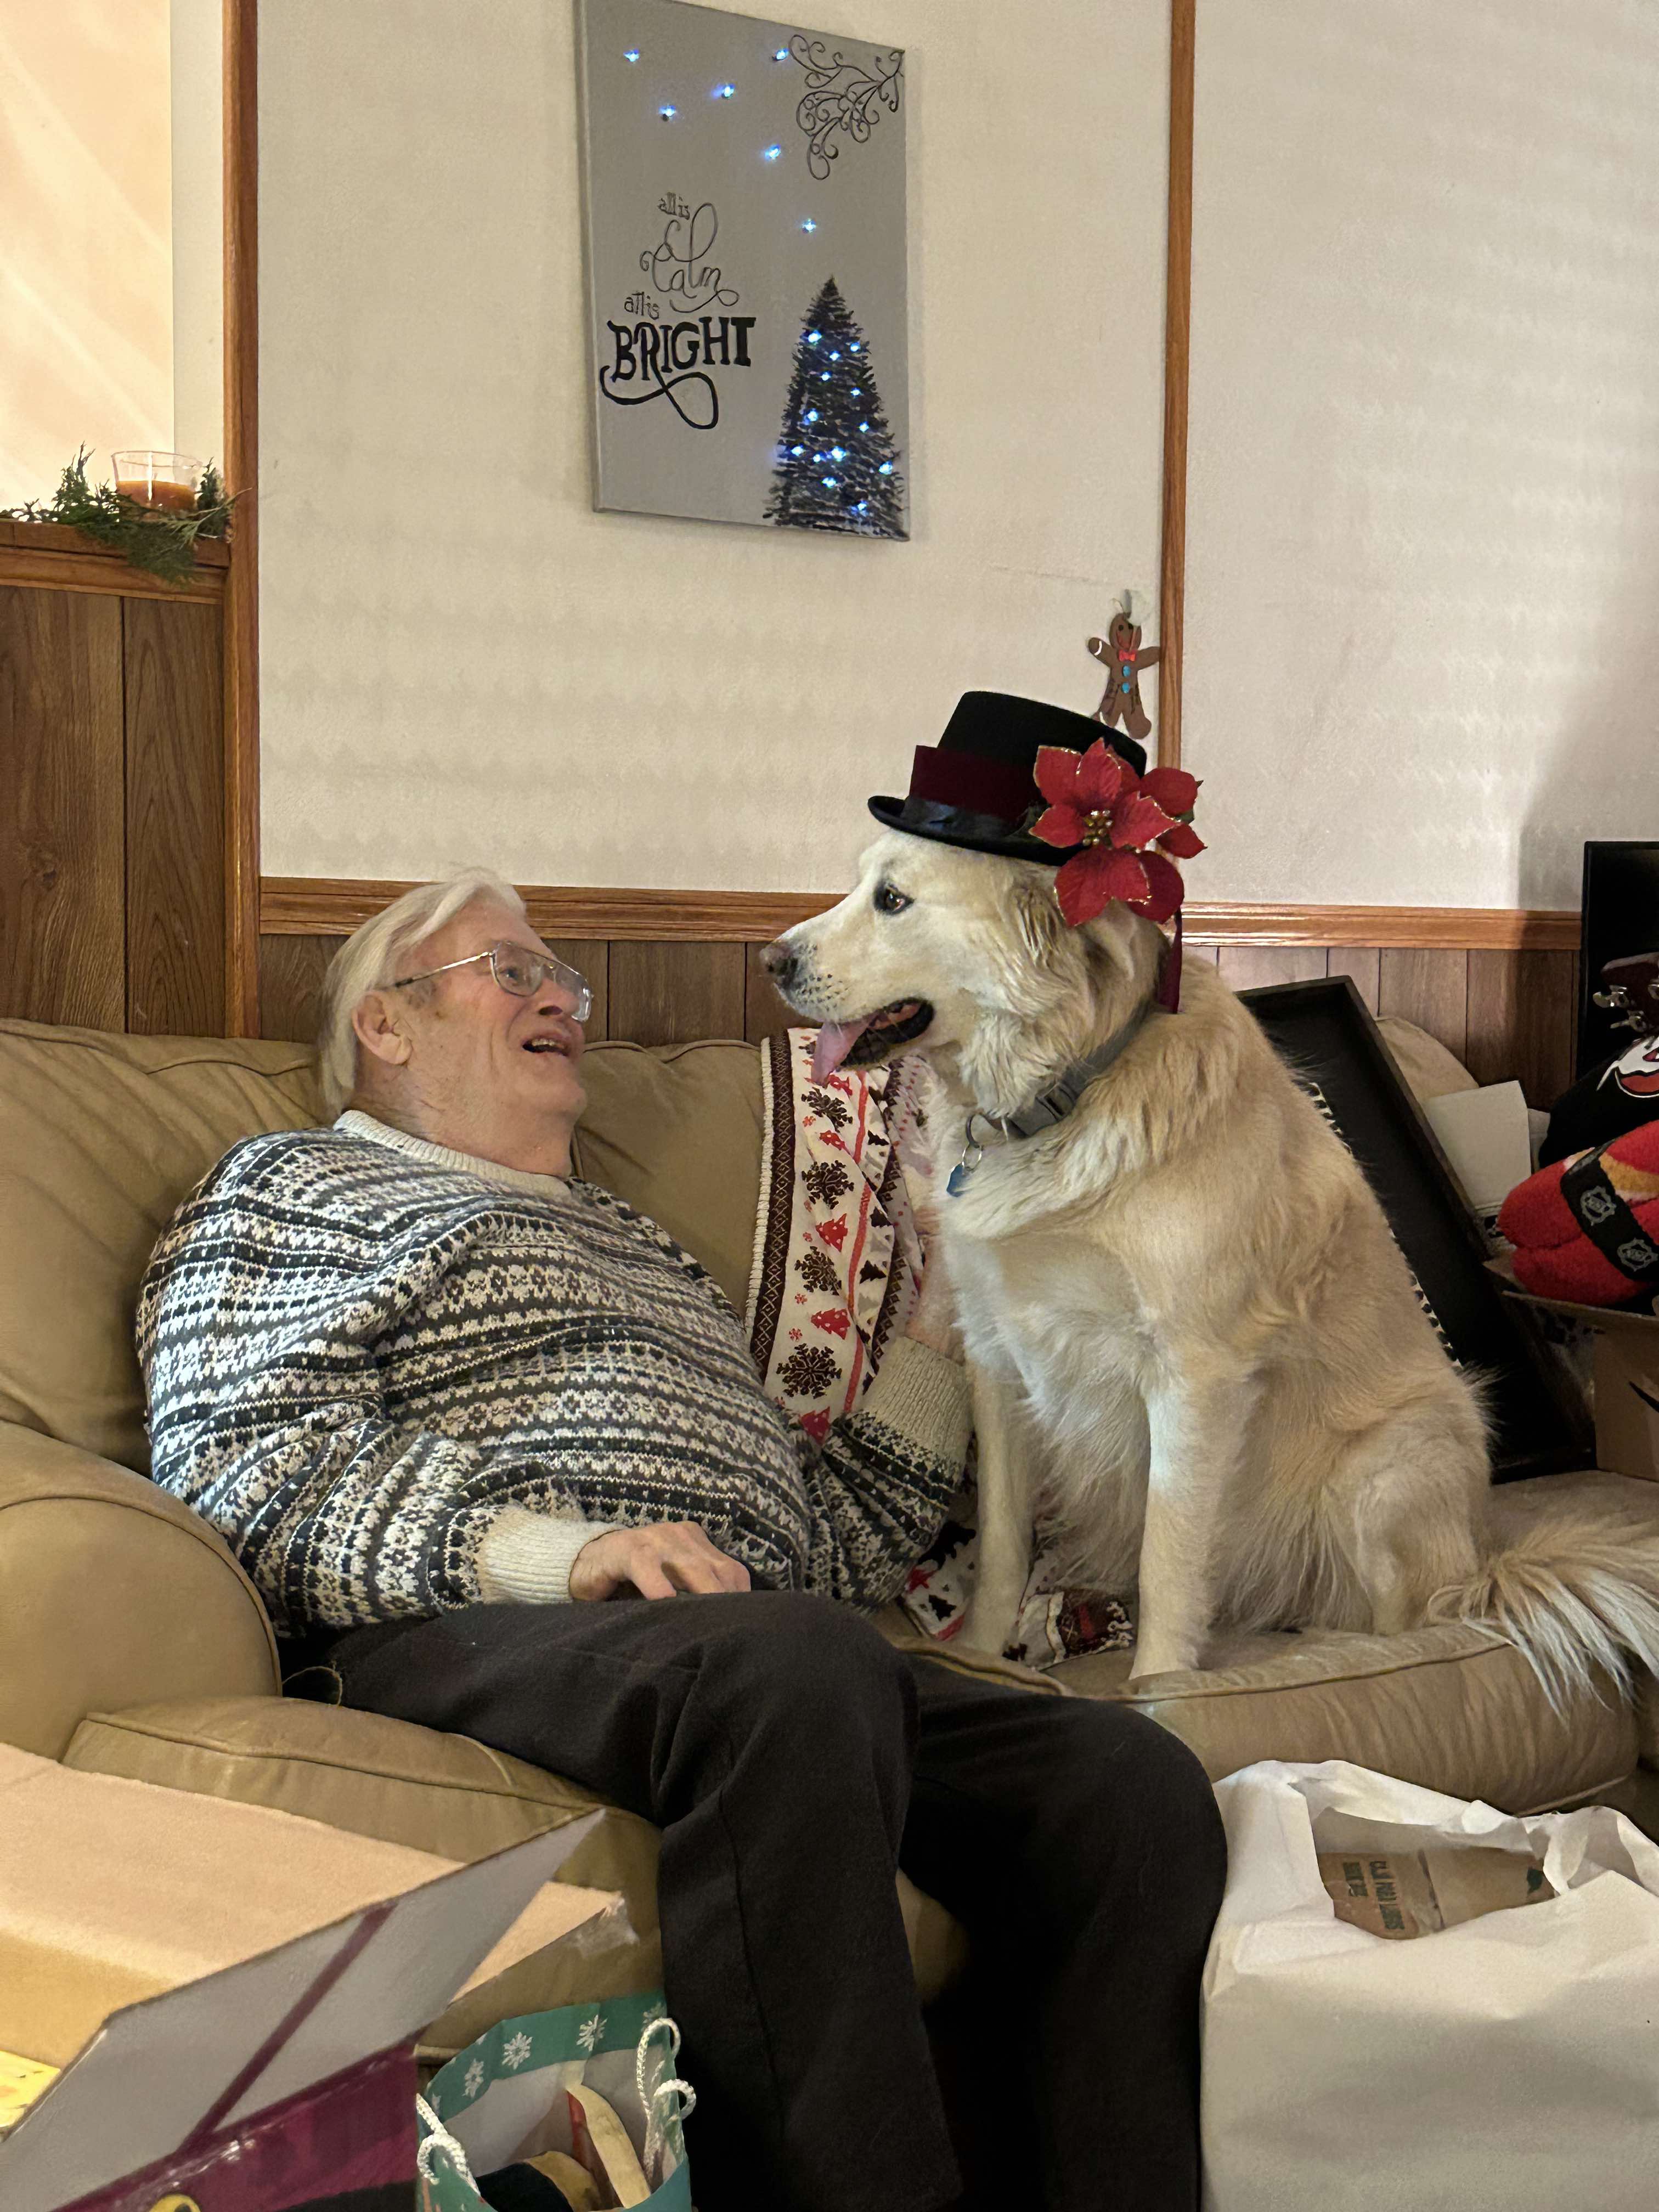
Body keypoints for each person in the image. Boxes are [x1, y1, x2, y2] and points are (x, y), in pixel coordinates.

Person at [138, 868, 1226, 2212]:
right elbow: (243, 1470)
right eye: (513, 972)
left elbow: (826, 1555)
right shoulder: (296, 1185)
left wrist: (947, 1318)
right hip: (461, 1625)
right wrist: (564, 1554)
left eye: (565, 981)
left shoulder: (638, 1245)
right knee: (792, 1669)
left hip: (737, 1645)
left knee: (1124, 1785)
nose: (563, 1000)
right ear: (386, 1024)